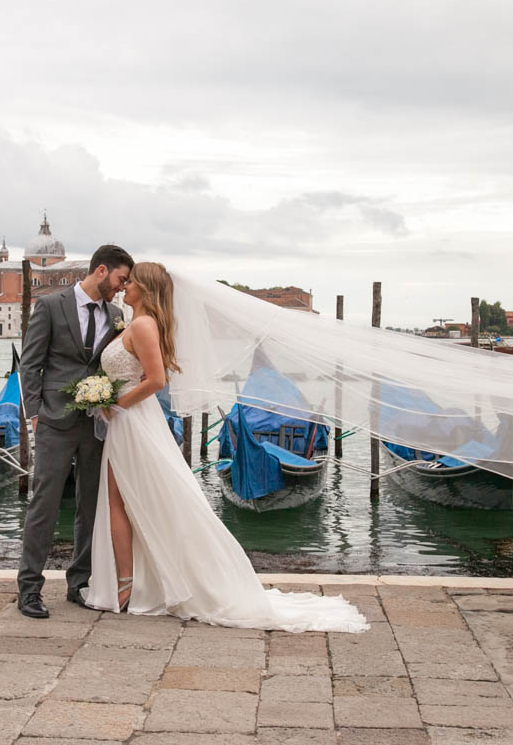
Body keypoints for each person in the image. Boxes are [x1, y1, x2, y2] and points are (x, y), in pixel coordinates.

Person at [81, 262, 368, 633]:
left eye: (132, 282)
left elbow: (156, 380)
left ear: (147, 289)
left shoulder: (142, 325)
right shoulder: (135, 323)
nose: (126, 287)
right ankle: (131, 580)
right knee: (126, 499)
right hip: (128, 421)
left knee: (130, 500)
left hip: (133, 419)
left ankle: (127, 584)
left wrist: (117, 403)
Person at [15, 244, 133, 618]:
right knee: (43, 503)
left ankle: (78, 582)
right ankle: (29, 588)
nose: (121, 288)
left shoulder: (116, 315)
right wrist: (35, 414)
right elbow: (29, 365)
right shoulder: (50, 306)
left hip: (96, 423)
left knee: (91, 505)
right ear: (101, 271)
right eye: (119, 279)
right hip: (53, 420)